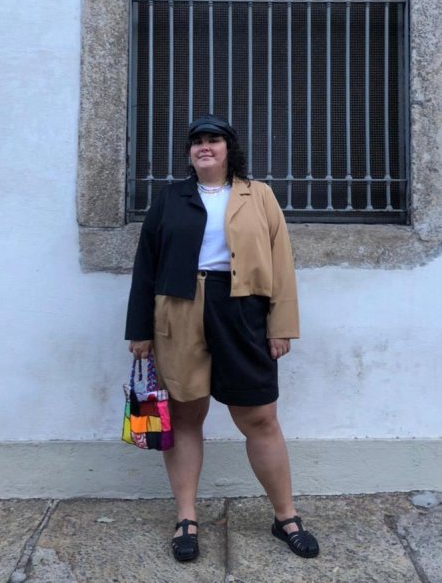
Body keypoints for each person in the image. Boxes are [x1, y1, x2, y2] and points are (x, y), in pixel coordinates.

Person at [125, 114, 319, 561]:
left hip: (242, 310)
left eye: (213, 140)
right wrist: (139, 330)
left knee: (260, 417)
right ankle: (186, 519)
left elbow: (281, 261)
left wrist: (281, 325)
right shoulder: (170, 198)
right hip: (177, 309)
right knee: (184, 416)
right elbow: (145, 266)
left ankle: (285, 516)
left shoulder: (260, 196)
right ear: (189, 154)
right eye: (196, 142)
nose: (204, 148)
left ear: (230, 149)